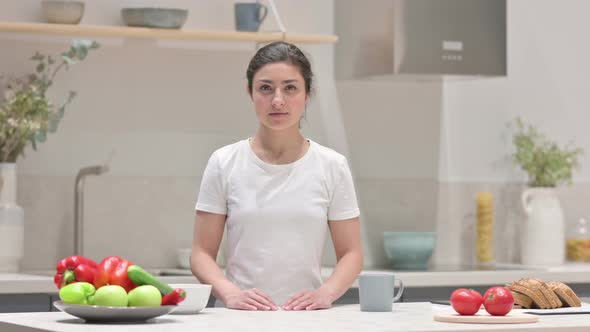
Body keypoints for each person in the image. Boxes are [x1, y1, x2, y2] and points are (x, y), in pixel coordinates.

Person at [191, 41, 362, 311]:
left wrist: (325, 293)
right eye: (265, 88)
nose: (278, 100)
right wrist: (230, 294)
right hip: (239, 319)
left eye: (291, 88)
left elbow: (351, 253)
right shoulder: (224, 162)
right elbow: (201, 254)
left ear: (308, 94)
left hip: (307, 319)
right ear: (250, 92)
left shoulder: (332, 165)